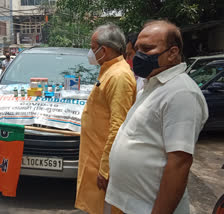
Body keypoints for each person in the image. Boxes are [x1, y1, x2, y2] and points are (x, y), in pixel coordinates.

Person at [105, 20, 209, 214]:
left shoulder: (181, 93)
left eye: (147, 49)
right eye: (137, 49)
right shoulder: (152, 85)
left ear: (172, 53)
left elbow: (179, 163)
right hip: (129, 204)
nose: (138, 56)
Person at [75, 23, 137, 214]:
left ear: (106, 49)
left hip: (104, 164)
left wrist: (106, 169)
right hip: (94, 157)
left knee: (107, 208)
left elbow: (118, 126)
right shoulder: (109, 71)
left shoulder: (119, 76)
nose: (91, 53)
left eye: (93, 48)